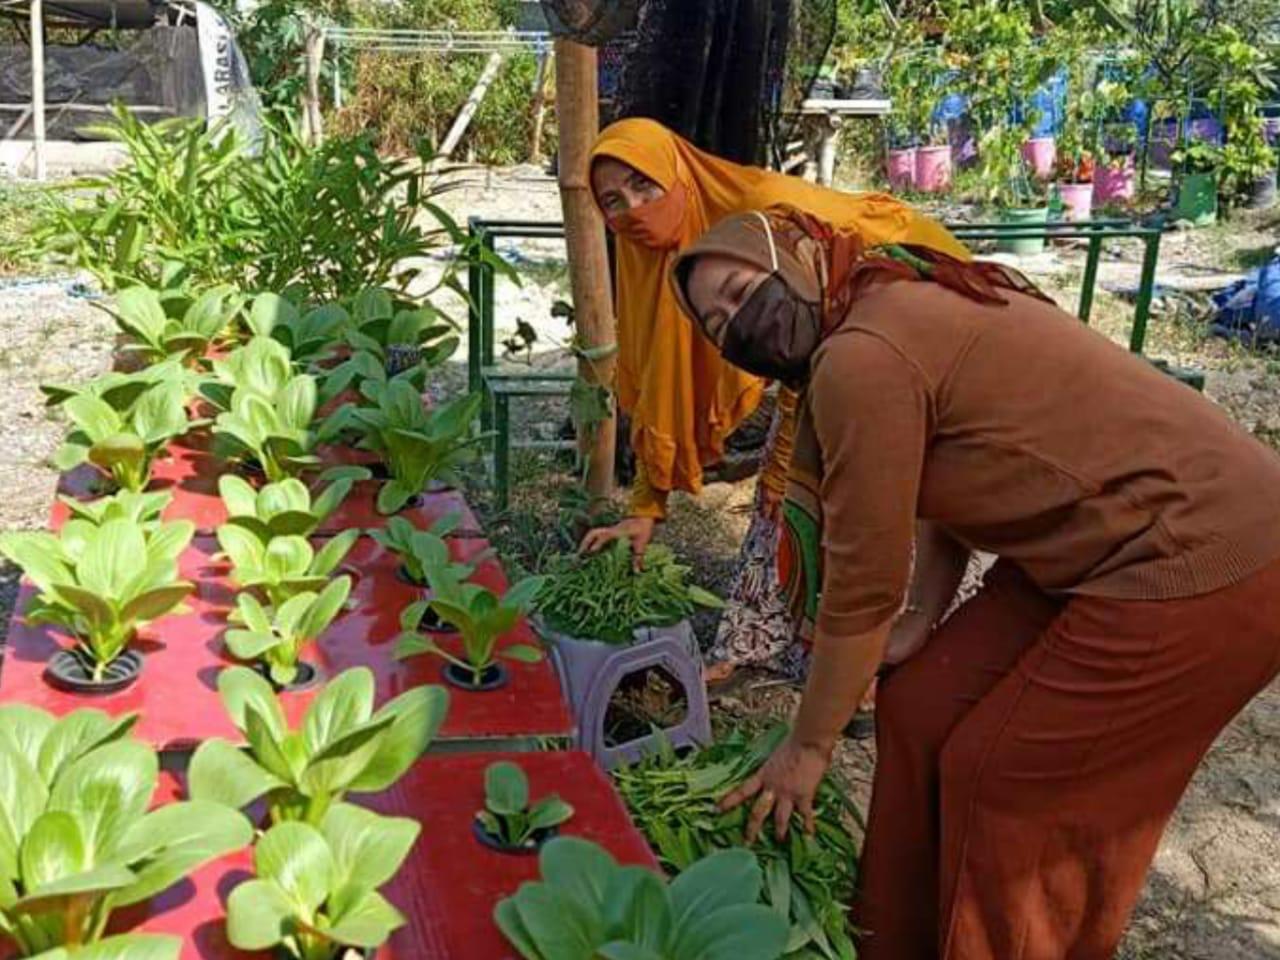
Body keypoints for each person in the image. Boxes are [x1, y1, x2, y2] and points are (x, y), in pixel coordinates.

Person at [670, 205, 1280, 960]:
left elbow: (863, 582)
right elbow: (936, 469)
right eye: (718, 322)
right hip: (1096, 545)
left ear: (797, 252)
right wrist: (925, 612)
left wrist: (809, 746)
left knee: (1009, 783)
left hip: (1203, 551)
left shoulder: (863, 353)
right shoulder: (885, 297)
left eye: (740, 288)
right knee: (923, 706)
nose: (739, 322)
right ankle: (898, 942)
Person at [580, 116, 969, 683]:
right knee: (785, 483)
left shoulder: (762, 207)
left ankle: (868, 668)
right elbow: (664, 382)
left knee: (868, 497)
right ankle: (760, 645)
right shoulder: (653, 260)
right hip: (813, 346)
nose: (634, 209)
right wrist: (645, 508)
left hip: (908, 311)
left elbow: (874, 267)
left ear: (677, 172)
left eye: (645, 185)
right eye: (613, 201)